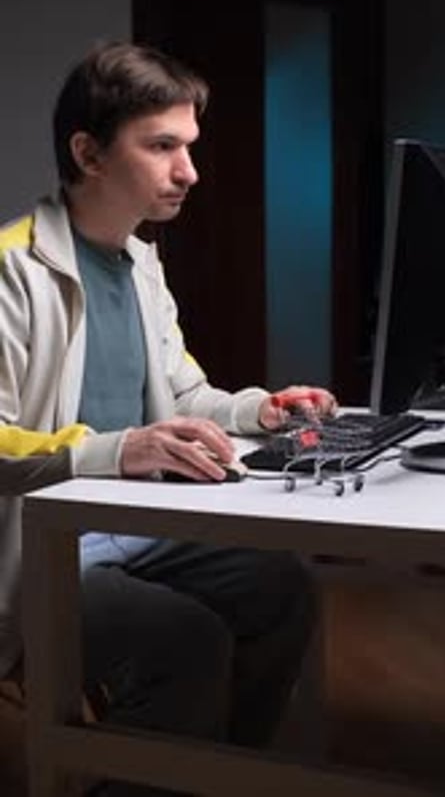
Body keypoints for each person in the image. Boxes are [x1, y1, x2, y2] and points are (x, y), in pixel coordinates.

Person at [0, 41, 336, 795]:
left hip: (132, 527)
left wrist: (263, 409)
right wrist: (116, 451)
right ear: (88, 152)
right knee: (186, 642)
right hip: (34, 552)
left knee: (282, 588)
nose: (189, 171)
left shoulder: (140, 262)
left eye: (188, 147)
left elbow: (182, 397)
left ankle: (214, 776)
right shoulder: (10, 271)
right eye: (162, 147)